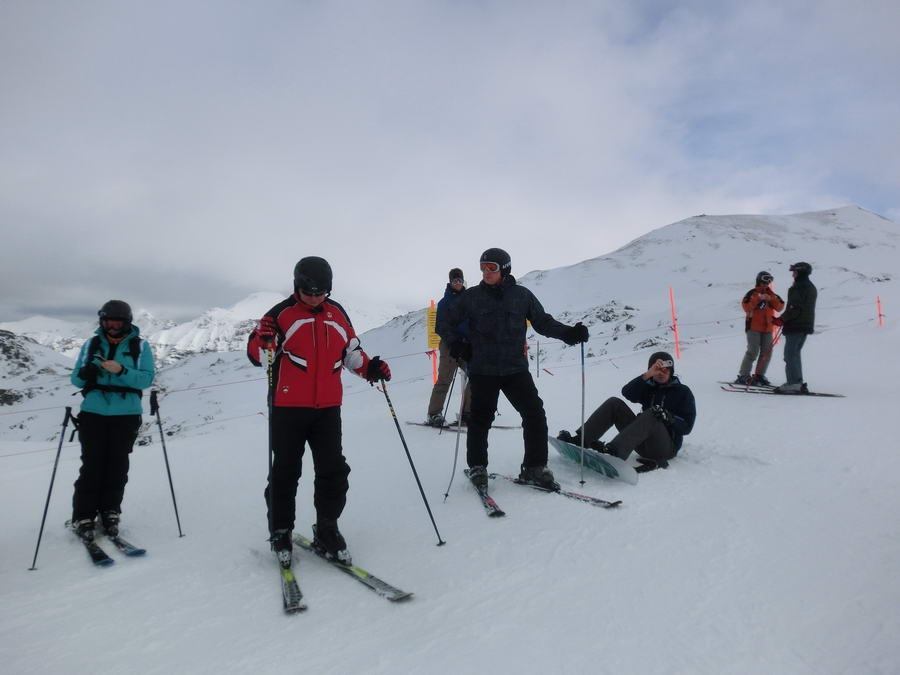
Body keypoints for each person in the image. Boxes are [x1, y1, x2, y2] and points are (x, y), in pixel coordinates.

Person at [247, 256, 391, 568]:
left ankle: (327, 529)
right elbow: (257, 355)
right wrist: (263, 339)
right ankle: (281, 531)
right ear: (297, 286)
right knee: (286, 472)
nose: (315, 298)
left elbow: (351, 354)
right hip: (288, 408)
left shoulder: (336, 313)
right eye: (310, 292)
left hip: (327, 408)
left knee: (334, 471)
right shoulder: (280, 315)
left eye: (321, 292)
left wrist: (371, 369)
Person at [438, 247, 589, 491]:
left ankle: (534, 468)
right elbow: (445, 323)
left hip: (514, 368)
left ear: (504, 269)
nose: (486, 272)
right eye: (483, 267)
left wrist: (569, 334)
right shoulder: (471, 297)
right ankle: (478, 467)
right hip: (483, 369)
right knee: (479, 419)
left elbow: (543, 322)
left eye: (492, 268)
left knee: (534, 414)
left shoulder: (522, 296)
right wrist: (456, 343)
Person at [69, 300, 156, 541]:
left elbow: (146, 379)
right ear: (102, 321)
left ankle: (110, 511)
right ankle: (83, 515)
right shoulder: (91, 344)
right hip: (94, 413)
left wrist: (121, 371)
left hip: (125, 415)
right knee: (92, 465)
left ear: (127, 322)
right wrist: (87, 373)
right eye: (109, 321)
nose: (113, 326)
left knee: (117, 466)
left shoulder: (141, 347)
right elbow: (76, 379)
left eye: (118, 321)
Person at [557, 351, 696, 471]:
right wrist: (646, 375)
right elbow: (627, 393)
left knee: (654, 413)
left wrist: (668, 417)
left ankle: (614, 453)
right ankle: (581, 440)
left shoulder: (683, 392)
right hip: (640, 443)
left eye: (665, 370)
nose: (661, 373)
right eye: (657, 370)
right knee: (614, 403)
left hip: (665, 448)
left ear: (671, 371)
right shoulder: (649, 387)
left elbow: (687, 427)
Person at [425, 267, 472, 427]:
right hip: (449, 345)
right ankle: (434, 414)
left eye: (460, 280)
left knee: (476, 375)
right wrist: (453, 342)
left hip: (467, 345)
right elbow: (440, 326)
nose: (458, 283)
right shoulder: (445, 303)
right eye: (455, 281)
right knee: (445, 379)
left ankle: (468, 412)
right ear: (450, 282)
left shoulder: (469, 299)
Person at [734, 271, 785, 386]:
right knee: (753, 351)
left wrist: (770, 299)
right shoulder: (752, 293)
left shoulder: (771, 294)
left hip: (768, 328)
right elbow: (746, 306)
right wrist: (758, 298)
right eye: (764, 281)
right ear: (759, 281)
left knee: (766, 353)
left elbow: (780, 306)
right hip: (753, 327)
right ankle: (743, 375)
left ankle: (759, 375)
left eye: (768, 282)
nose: (766, 284)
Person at [774, 261, 817, 394]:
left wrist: (781, 319)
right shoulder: (809, 286)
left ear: (800, 273)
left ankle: (793, 383)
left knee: (790, 355)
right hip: (803, 325)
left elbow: (795, 308)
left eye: (794, 272)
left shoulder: (800, 287)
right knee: (795, 354)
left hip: (796, 325)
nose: (793, 275)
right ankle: (797, 382)